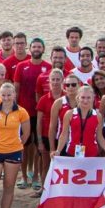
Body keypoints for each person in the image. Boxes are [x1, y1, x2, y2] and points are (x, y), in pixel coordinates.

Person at [13, 38, 51, 192]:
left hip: (39, 113)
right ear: (30, 48)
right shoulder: (22, 66)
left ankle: (35, 176)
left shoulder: (48, 67)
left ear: (43, 49)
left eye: (39, 47)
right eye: (34, 46)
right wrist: (15, 109)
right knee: (23, 145)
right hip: (23, 112)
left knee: (38, 147)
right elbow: (16, 89)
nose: (36, 49)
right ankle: (23, 176)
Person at [56, 86, 105, 158]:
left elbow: (100, 137)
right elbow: (64, 135)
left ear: (93, 98)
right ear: (78, 98)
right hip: (72, 153)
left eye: (88, 97)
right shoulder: (69, 114)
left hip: (92, 154)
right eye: (83, 97)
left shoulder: (98, 116)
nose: (85, 100)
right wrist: (58, 151)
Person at [35, 69, 65, 200]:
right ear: (49, 81)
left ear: (62, 80)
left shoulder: (67, 97)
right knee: (46, 164)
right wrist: (40, 141)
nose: (56, 82)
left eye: (58, 79)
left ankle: (60, 190)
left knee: (62, 165)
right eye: (53, 79)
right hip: (47, 136)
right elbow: (39, 122)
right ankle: (44, 188)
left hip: (63, 136)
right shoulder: (43, 99)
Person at [49, 74, 82, 156]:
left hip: (79, 142)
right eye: (67, 85)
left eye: (73, 85)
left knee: (79, 163)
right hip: (62, 142)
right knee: (63, 164)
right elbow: (52, 127)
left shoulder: (84, 102)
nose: (70, 87)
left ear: (79, 85)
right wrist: (52, 148)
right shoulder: (59, 102)